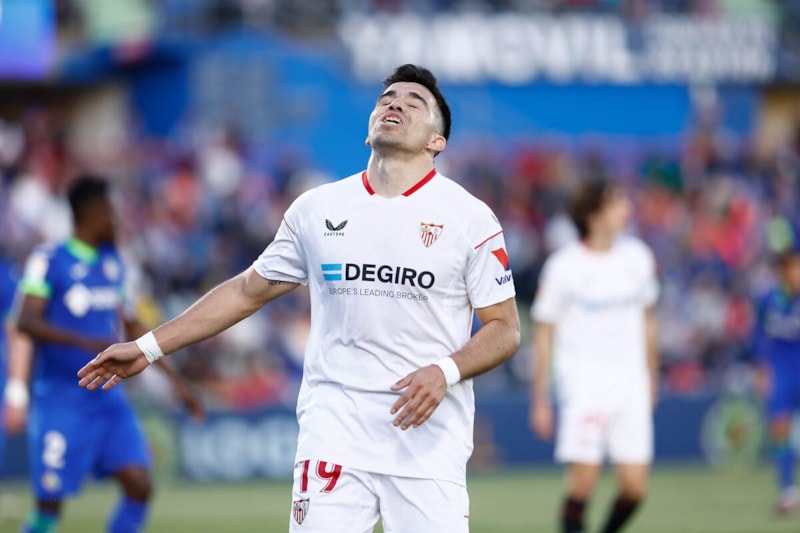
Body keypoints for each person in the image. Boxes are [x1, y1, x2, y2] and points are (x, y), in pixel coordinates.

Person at [78, 64, 521, 532]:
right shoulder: (318, 209)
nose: (396, 104)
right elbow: (247, 291)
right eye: (387, 98)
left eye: (415, 102)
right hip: (335, 434)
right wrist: (148, 347)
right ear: (369, 128)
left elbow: (506, 329)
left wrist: (445, 371)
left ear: (437, 141)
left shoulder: (470, 219)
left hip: (427, 441)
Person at [14, 176, 203, 533]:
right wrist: (83, 341)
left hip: (108, 400)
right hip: (61, 398)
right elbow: (26, 320)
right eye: (110, 212)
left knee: (139, 484)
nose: (116, 220)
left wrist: (175, 381)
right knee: (49, 506)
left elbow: (133, 327)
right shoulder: (48, 259)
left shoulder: (113, 263)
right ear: (91, 212)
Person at [529, 178, 659, 533]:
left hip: (631, 384)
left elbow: (648, 320)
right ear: (594, 214)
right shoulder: (564, 266)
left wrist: (652, 376)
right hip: (584, 384)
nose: (627, 209)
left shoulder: (638, 257)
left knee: (635, 488)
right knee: (583, 482)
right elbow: (543, 331)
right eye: (617, 202)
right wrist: (540, 397)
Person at [751, 246, 800, 515]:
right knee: (779, 431)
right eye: (792, 268)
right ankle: (787, 491)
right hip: (781, 373)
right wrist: (761, 370)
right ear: (782, 271)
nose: (796, 274)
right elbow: (758, 337)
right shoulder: (768, 300)